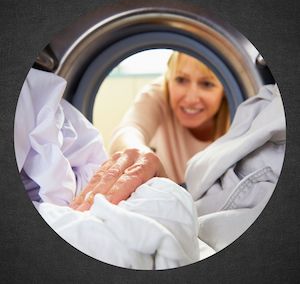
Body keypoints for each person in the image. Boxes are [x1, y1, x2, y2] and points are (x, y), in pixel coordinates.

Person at [71, 51, 230, 211]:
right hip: (166, 206)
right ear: (169, 79)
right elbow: (128, 130)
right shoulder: (159, 93)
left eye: (207, 84)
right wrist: (141, 157)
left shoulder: (242, 113)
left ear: (224, 90)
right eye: (181, 80)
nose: (190, 98)